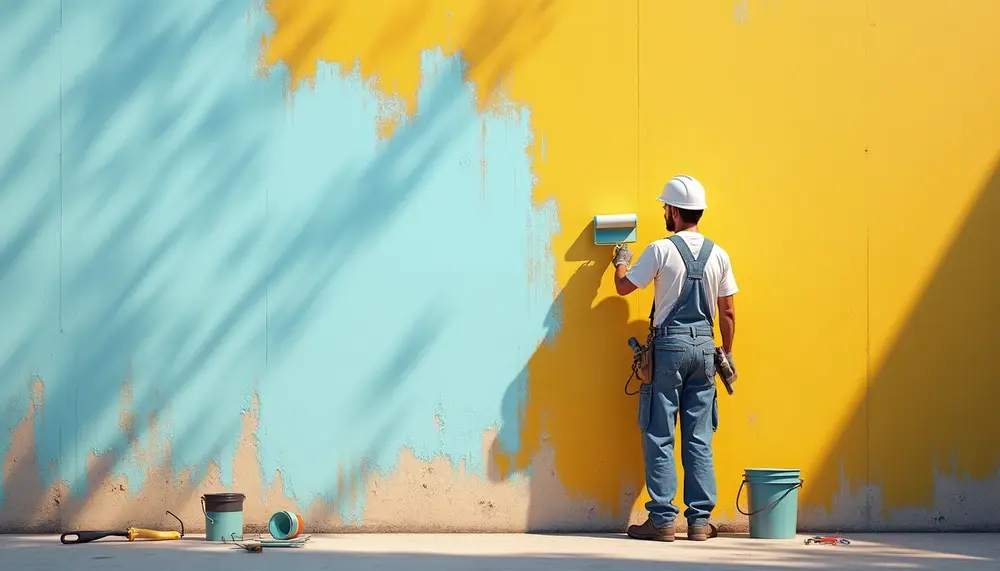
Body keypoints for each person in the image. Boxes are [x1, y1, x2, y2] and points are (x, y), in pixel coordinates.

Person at [611, 174, 739, 542]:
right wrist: (725, 354)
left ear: (674, 211)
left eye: (665, 207)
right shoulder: (720, 254)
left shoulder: (661, 249)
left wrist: (621, 260)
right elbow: (728, 312)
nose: (664, 212)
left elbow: (623, 287)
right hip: (705, 350)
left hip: (669, 350)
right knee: (699, 437)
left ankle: (663, 521)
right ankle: (699, 522)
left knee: (660, 433)